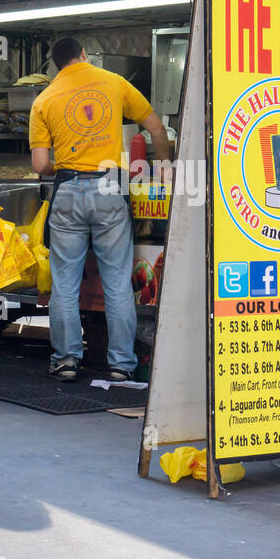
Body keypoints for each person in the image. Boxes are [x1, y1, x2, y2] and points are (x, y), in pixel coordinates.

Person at [29, 37, 171, 382]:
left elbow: (40, 164)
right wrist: (166, 166)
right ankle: (121, 365)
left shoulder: (43, 99)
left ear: (56, 66)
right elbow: (155, 126)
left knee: (64, 284)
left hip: (68, 193)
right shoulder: (114, 82)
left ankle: (66, 361)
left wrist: (65, 166)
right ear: (84, 55)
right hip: (110, 187)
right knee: (118, 282)